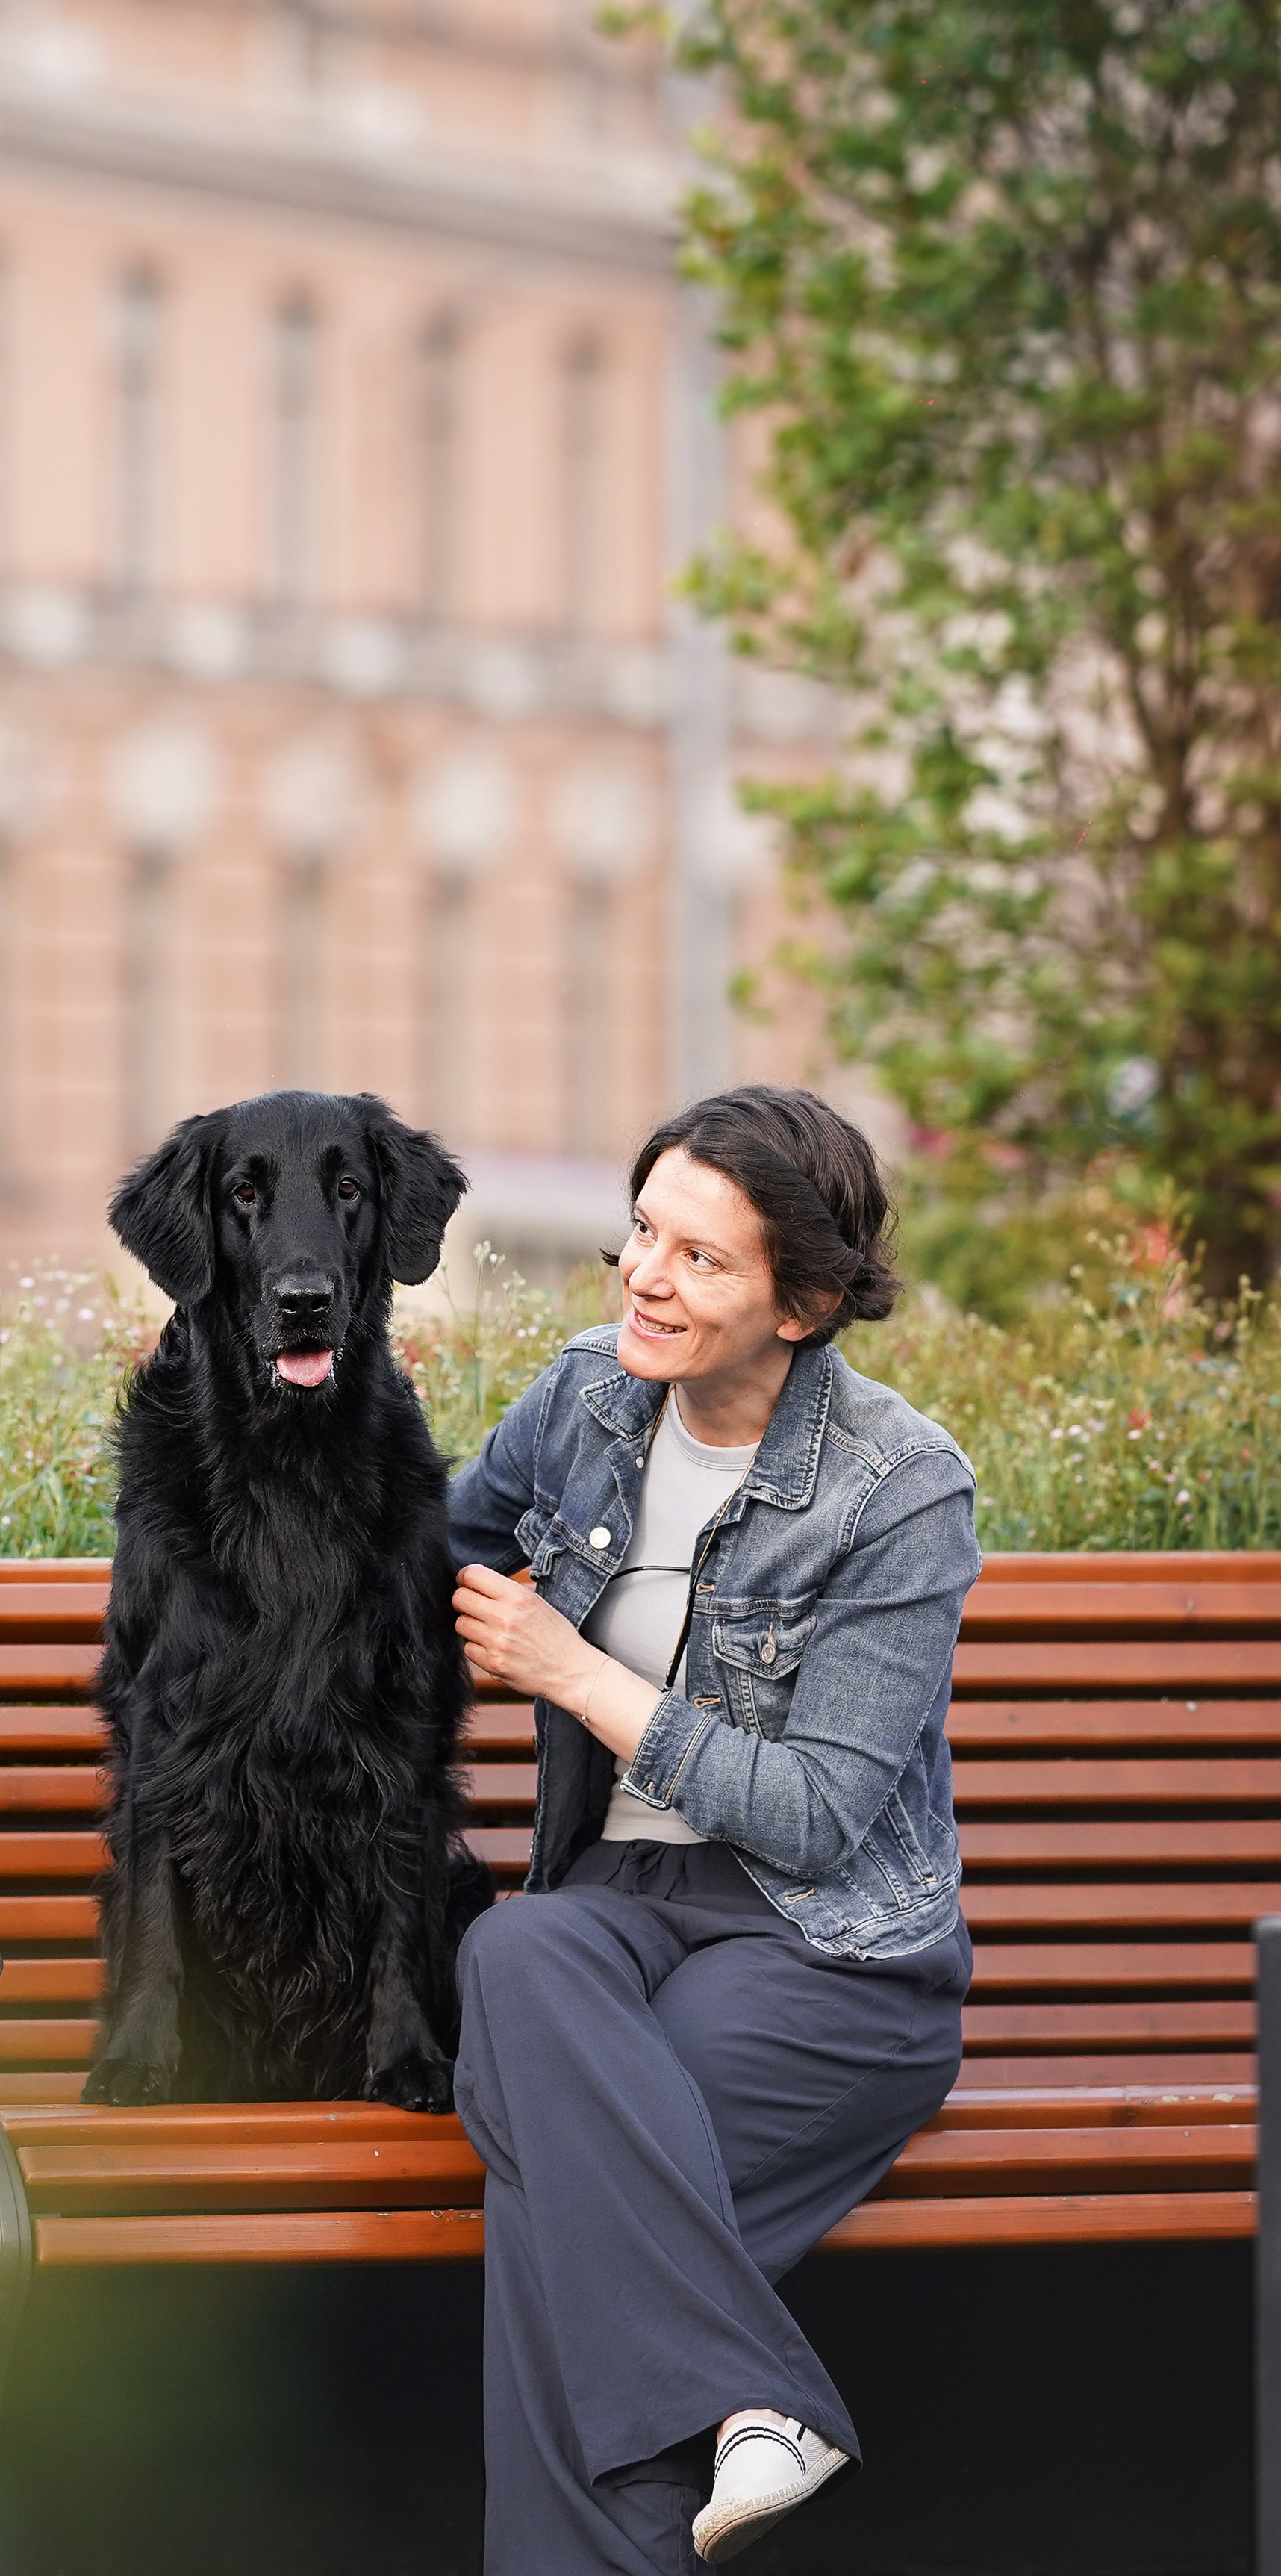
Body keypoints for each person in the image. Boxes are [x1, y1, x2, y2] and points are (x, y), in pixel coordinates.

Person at [448, 1086, 977, 2576]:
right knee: (519, 1945)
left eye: (696, 1257)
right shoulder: (579, 1397)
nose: (642, 1275)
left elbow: (815, 1815)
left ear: (800, 1303)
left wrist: (573, 1672)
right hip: (618, 1897)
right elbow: (432, 1548)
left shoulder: (898, 1488)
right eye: (638, 1230)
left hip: (820, 1951)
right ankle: (762, 2395)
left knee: (557, 2206)